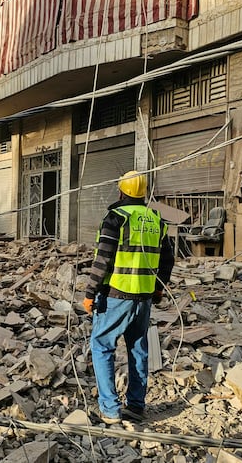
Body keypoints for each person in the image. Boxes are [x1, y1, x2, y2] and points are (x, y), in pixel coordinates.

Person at [82, 170, 174, 424]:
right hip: (144, 298)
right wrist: (158, 288)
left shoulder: (116, 218)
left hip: (116, 296)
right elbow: (167, 260)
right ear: (142, 193)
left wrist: (89, 293)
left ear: (121, 191)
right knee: (137, 349)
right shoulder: (157, 219)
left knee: (102, 347)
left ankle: (110, 409)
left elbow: (103, 261)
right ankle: (135, 406)